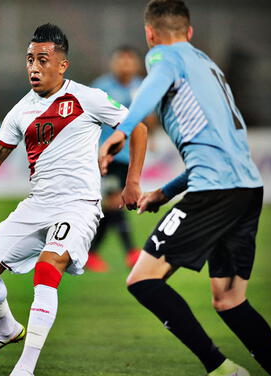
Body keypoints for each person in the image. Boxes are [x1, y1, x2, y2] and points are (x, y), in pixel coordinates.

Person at [0, 24, 148, 376]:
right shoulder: (20, 111)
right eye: (29, 60)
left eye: (43, 60)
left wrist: (132, 182)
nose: (34, 67)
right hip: (37, 204)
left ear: (62, 65)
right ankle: (6, 329)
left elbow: (139, 127)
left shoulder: (87, 98)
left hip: (78, 205)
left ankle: (24, 369)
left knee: (47, 268)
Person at [100, 1, 271, 375]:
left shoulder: (163, 57)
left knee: (142, 280)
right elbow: (218, 150)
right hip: (246, 190)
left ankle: (221, 369)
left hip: (214, 193)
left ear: (150, 35)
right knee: (230, 301)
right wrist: (165, 191)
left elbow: (151, 87)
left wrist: (121, 131)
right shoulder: (207, 66)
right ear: (190, 32)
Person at [87, 45, 145, 272]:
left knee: (113, 204)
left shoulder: (142, 87)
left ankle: (90, 253)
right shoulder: (101, 87)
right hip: (106, 155)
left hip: (130, 157)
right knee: (113, 200)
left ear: (137, 65)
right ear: (113, 63)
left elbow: (148, 122)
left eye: (129, 61)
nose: (125, 65)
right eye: (121, 60)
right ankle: (131, 252)